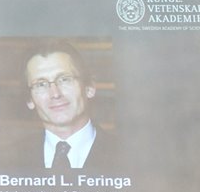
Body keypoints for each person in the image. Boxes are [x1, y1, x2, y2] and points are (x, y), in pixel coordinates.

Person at [9, 38, 122, 170]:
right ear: (29, 100)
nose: (55, 94)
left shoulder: (129, 156)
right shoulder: (8, 158)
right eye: (40, 84)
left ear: (89, 88)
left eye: (64, 79)